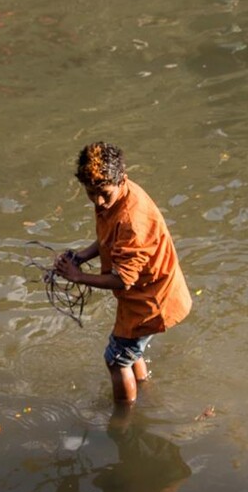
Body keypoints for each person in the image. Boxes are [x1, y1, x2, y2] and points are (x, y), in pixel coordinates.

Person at [55, 142, 192, 404]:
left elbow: (124, 280)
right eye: (90, 192)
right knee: (130, 353)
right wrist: (81, 256)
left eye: (104, 193)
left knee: (115, 359)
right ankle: (143, 388)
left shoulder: (131, 220)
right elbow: (110, 240)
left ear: (122, 179)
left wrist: (77, 276)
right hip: (144, 295)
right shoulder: (115, 198)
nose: (98, 201)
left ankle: (124, 420)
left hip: (151, 300)